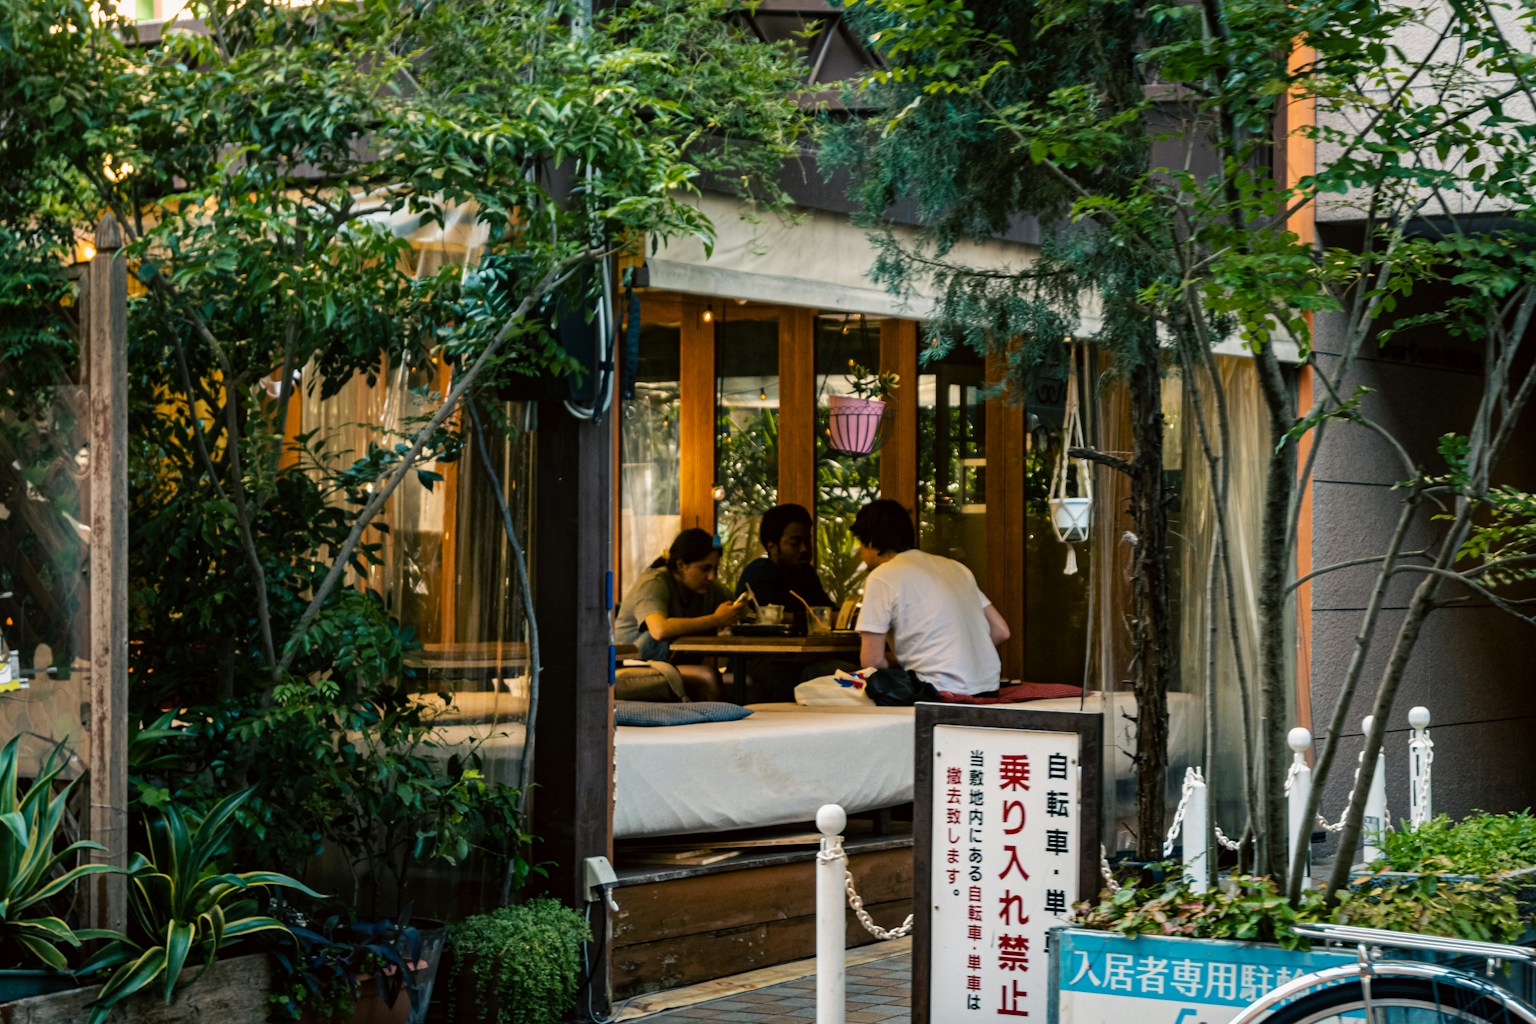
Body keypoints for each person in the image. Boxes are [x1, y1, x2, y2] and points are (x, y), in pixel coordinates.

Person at [851, 498, 1011, 702]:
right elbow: (1001, 630)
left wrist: (915, 658)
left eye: (860, 544)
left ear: (870, 541)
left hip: (937, 691)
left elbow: (871, 661)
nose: (861, 554)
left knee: (822, 672)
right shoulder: (955, 568)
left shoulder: (882, 575)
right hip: (988, 688)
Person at [614, 528, 745, 700]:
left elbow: (740, 612)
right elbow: (659, 629)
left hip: (669, 665)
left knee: (747, 683)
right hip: (632, 666)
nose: (711, 576)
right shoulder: (654, 583)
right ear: (681, 565)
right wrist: (716, 619)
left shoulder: (709, 589)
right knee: (707, 677)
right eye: (705, 568)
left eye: (715, 569)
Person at [734, 503, 834, 632]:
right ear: (773, 547)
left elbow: (828, 611)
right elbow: (765, 617)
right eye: (795, 543)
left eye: (808, 542)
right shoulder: (760, 573)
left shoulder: (807, 574)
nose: (804, 549)